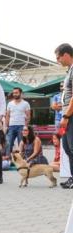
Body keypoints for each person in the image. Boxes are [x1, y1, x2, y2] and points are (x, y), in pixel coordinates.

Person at [55, 43, 73, 188]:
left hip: (71, 116)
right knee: (67, 148)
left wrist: (66, 116)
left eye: (58, 57)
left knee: (71, 148)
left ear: (66, 55)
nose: (57, 60)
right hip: (68, 114)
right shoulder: (69, 70)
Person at [5, 87, 31, 156]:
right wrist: (7, 126)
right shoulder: (10, 104)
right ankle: (8, 159)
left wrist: (26, 126)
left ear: (20, 93)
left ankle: (22, 159)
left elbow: (28, 116)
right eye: (13, 93)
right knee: (9, 143)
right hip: (11, 126)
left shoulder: (26, 103)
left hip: (21, 126)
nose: (14, 94)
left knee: (21, 144)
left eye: (16, 93)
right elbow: (7, 115)